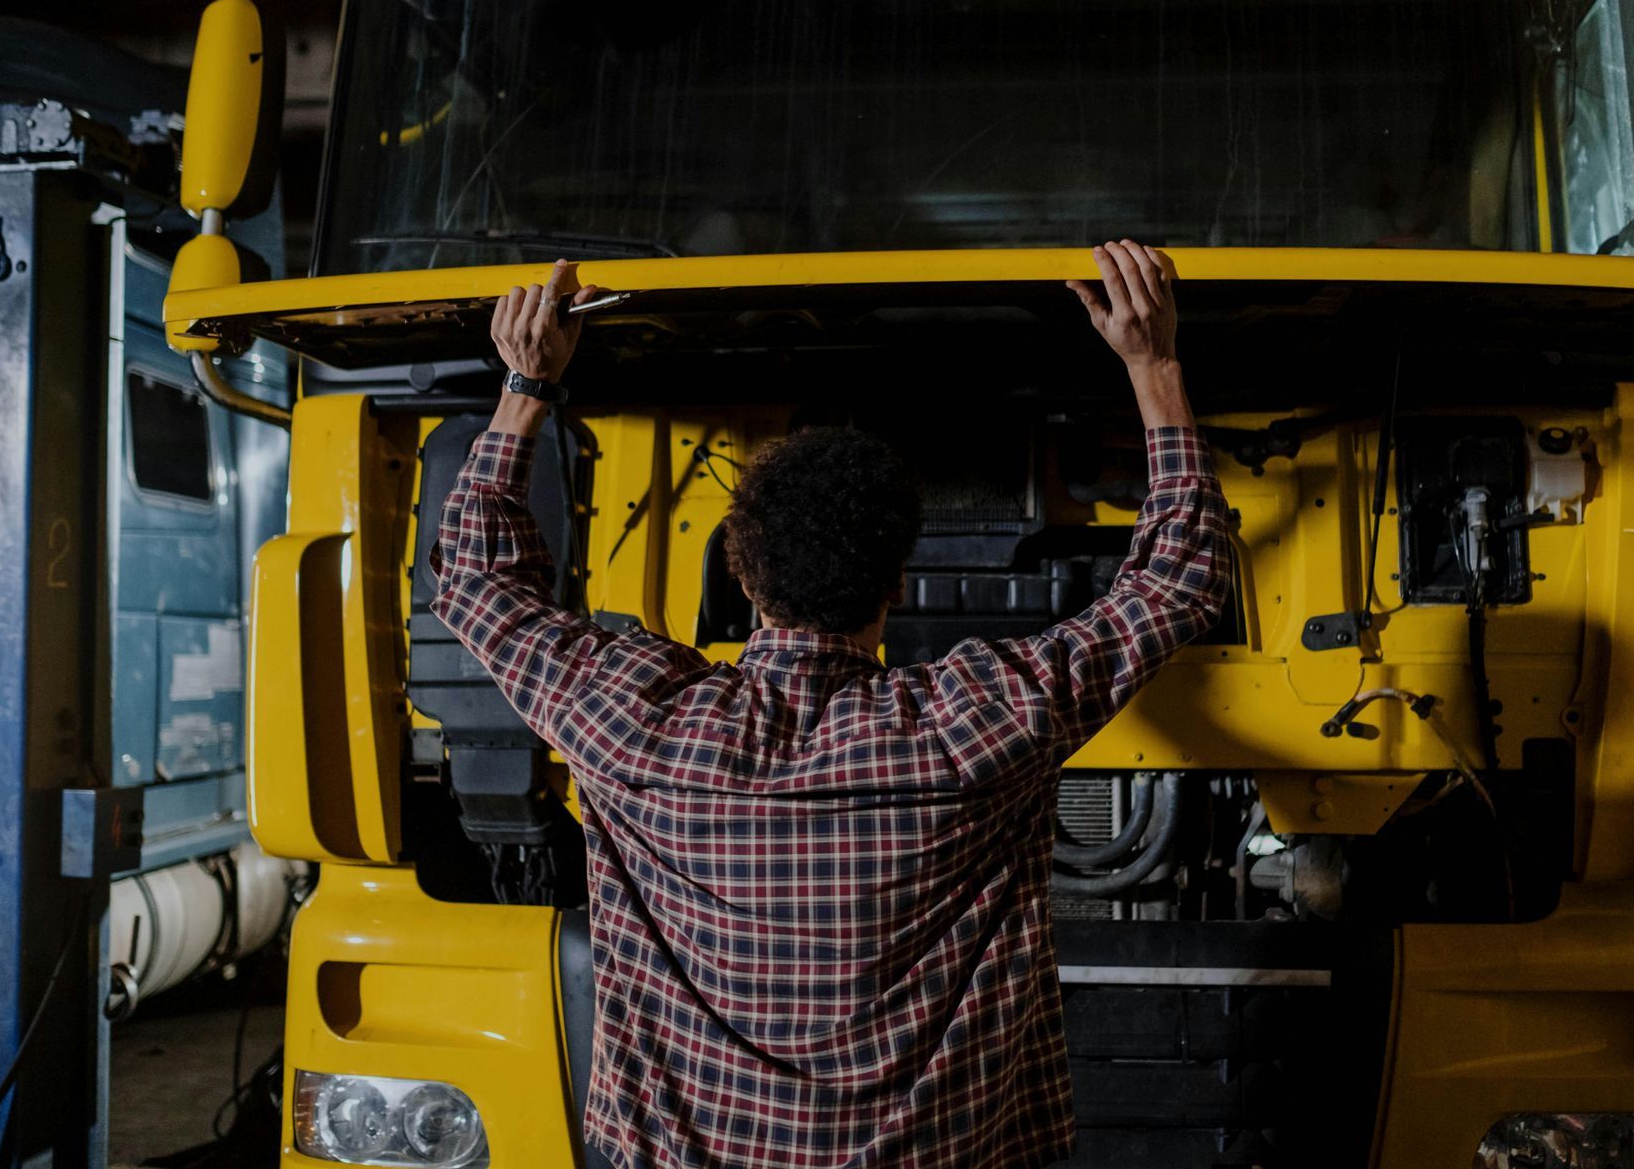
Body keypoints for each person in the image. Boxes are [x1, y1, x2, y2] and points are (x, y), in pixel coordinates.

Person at [431, 240, 1231, 1169]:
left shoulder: (639, 720)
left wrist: (527, 385)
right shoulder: (975, 724)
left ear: (741, 573)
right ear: (897, 582)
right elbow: (1179, 581)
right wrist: (1155, 364)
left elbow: (477, 580)